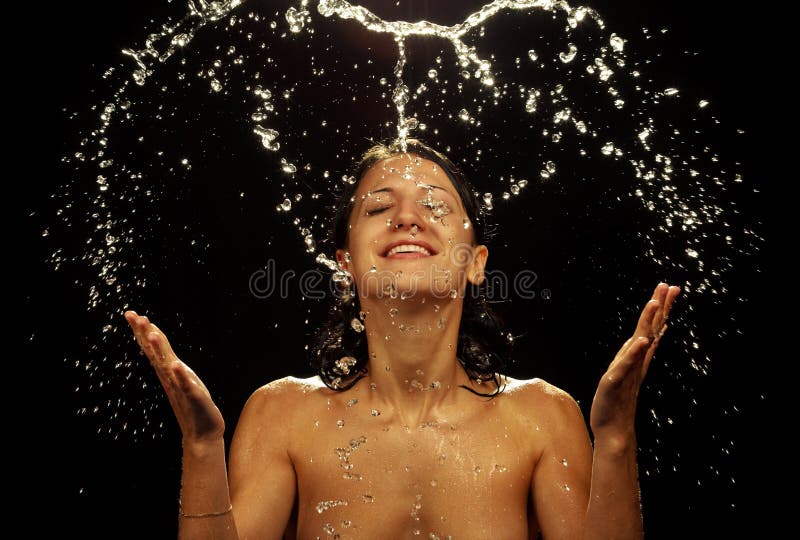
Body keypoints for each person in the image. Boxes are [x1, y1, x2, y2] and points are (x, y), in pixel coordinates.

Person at [124, 138, 680, 540]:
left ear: (476, 263)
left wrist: (614, 442)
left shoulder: (540, 415)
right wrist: (201, 451)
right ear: (344, 263)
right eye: (379, 207)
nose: (409, 219)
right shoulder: (282, 414)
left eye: (436, 206)